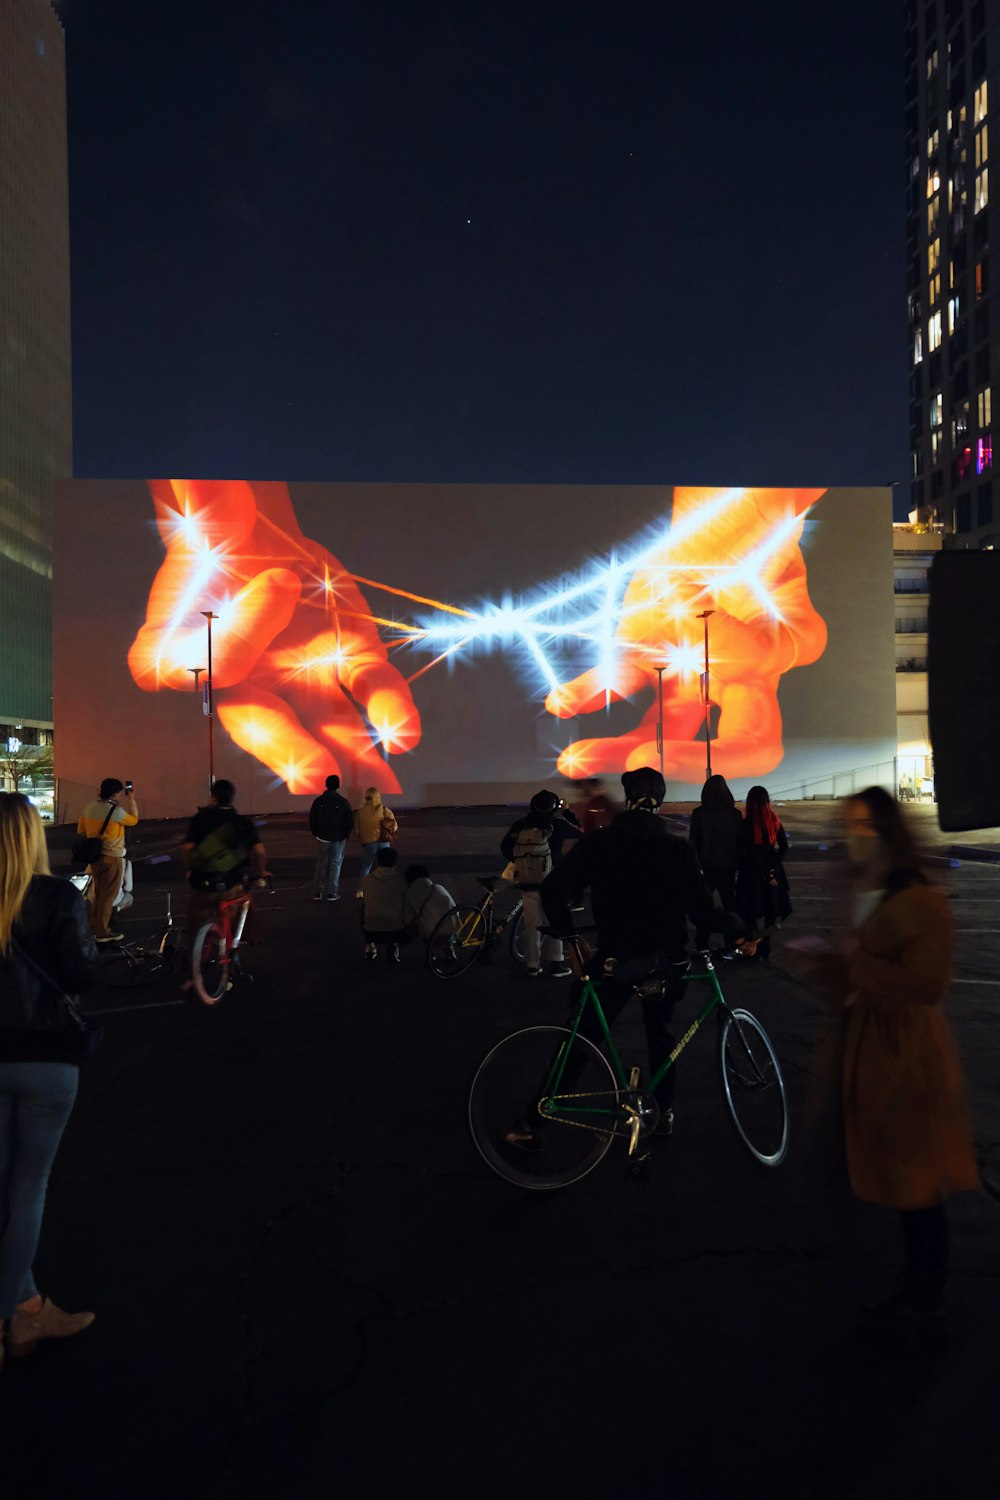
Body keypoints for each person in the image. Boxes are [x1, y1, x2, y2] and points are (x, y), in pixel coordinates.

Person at [510, 767, 749, 1150]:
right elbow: (703, 912)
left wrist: (571, 938)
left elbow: (554, 890)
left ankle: (533, 1122)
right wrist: (737, 926)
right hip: (665, 960)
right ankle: (664, 1112)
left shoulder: (601, 843)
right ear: (660, 800)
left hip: (615, 958)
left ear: (627, 796)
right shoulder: (677, 848)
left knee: (583, 1034)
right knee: (662, 1035)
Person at [838, 787, 978, 1346]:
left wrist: (857, 962)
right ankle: (917, 1287)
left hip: (909, 1054)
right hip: (874, 1043)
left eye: (865, 825)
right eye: (850, 824)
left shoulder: (921, 899)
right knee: (901, 1178)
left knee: (918, 1184)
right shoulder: (867, 886)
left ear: (890, 830)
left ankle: (926, 1296)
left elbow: (927, 985)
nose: (854, 834)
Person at [0, 792, 98, 1368]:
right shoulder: (56, 897)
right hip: (46, 1058)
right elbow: (81, 975)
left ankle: (30, 1306)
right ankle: (11, 1317)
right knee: (28, 1188)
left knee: (4, 1189)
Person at [181, 781, 268, 974]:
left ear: (213, 797)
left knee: (194, 922)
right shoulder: (243, 822)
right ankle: (230, 949)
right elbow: (260, 852)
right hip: (231, 884)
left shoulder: (200, 818)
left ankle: (194, 961)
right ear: (232, 798)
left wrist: (190, 870)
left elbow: (187, 850)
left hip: (202, 884)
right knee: (240, 910)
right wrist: (262, 872)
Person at [501, 791, 578, 977]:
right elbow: (583, 831)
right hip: (553, 883)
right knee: (555, 922)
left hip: (528, 882)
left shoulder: (521, 825)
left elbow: (505, 847)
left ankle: (532, 964)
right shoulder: (558, 825)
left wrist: (522, 863)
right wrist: (567, 813)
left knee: (531, 924)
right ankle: (556, 963)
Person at [76, 778, 139, 942]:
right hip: (112, 857)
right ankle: (102, 931)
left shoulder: (88, 808)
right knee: (108, 895)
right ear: (115, 794)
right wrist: (131, 799)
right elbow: (134, 820)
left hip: (94, 857)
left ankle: (93, 927)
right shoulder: (116, 812)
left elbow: (81, 830)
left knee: (97, 893)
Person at [735, 785, 790, 960]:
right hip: (773, 872)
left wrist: (764, 872)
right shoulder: (774, 820)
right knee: (770, 910)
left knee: (750, 909)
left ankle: (751, 947)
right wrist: (773, 869)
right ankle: (765, 947)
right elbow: (784, 847)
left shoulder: (747, 824)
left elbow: (749, 851)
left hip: (752, 873)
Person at [688, 775, 743, 949]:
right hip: (728, 868)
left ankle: (702, 944)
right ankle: (730, 945)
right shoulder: (735, 814)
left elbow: (693, 844)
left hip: (706, 868)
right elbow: (740, 843)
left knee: (705, 908)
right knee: (730, 907)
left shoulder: (699, 814)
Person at [308, 774, 353, 902]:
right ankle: (332, 892)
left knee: (321, 864)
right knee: (336, 865)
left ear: (326, 785)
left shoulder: (318, 801)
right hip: (338, 838)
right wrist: (345, 835)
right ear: (338, 785)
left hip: (322, 837)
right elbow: (349, 820)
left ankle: (318, 891)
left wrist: (316, 833)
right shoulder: (343, 802)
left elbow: (312, 819)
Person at [360, 847, 408, 962]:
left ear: (377, 862)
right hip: (397, 927)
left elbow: (366, 900)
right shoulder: (402, 880)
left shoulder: (367, 879)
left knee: (363, 909)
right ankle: (395, 945)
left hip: (372, 928)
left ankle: (370, 945)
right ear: (396, 862)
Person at [353, 788, 398, 898]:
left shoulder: (360, 813)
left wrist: (364, 836)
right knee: (385, 867)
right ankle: (385, 889)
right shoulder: (385, 810)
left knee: (366, 867)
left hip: (369, 843)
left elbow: (357, 831)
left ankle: (361, 890)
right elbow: (395, 826)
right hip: (384, 842)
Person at [402, 865, 457, 941]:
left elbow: (407, 919)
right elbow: (454, 908)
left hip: (431, 935)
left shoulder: (410, 893)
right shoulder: (439, 887)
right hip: (453, 931)